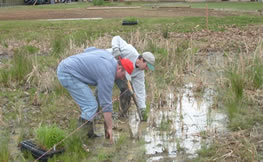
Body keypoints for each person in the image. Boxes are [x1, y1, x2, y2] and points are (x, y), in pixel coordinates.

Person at [56, 47, 134, 142]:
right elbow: (106, 106)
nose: (122, 79)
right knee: (90, 106)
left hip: (68, 65)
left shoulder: (109, 57)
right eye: (123, 75)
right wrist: (109, 128)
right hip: (67, 73)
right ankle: (80, 139)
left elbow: (89, 50)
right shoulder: (108, 74)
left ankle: (89, 135)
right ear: (120, 68)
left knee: (90, 105)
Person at [109, 36, 155, 121]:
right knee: (102, 90)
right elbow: (117, 38)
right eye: (147, 66)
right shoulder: (130, 51)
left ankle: (122, 115)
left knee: (127, 91)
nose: (147, 69)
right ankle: (97, 115)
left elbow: (140, 91)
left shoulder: (140, 73)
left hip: (120, 74)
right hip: (107, 65)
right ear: (142, 59)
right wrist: (116, 49)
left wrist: (142, 109)